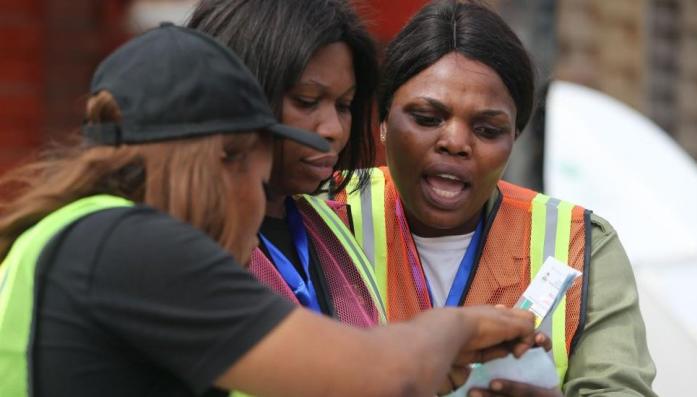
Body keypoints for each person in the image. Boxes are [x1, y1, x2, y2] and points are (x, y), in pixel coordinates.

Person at [0, 23, 543, 397]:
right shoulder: (137, 248)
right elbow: (381, 375)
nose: (261, 208)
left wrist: (428, 364)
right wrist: (458, 327)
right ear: (223, 159)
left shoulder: (81, 234)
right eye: (261, 185)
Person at [337, 1, 658, 396]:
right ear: (383, 122)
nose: (455, 142)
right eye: (426, 118)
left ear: (514, 141)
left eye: (487, 129)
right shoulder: (319, 213)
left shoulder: (581, 245)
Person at [188, 0, 385, 325]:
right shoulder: (186, 242)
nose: (333, 130)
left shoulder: (332, 225)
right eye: (306, 102)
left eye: (345, 105)